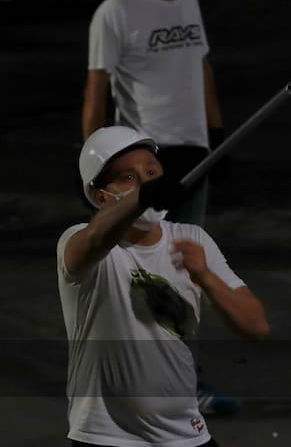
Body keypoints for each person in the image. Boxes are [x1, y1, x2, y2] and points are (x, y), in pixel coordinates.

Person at [57, 126, 269, 446]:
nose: (145, 182)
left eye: (151, 173)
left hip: (185, 434)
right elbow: (95, 239)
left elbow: (256, 326)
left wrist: (206, 278)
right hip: (106, 437)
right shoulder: (78, 242)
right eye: (128, 178)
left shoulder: (192, 239)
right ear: (100, 196)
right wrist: (143, 196)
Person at [83, 0, 224, 227]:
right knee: (141, 249)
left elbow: (201, 66)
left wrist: (216, 133)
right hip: (144, 157)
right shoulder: (115, 11)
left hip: (194, 152)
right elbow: (97, 88)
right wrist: (93, 164)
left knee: (187, 246)